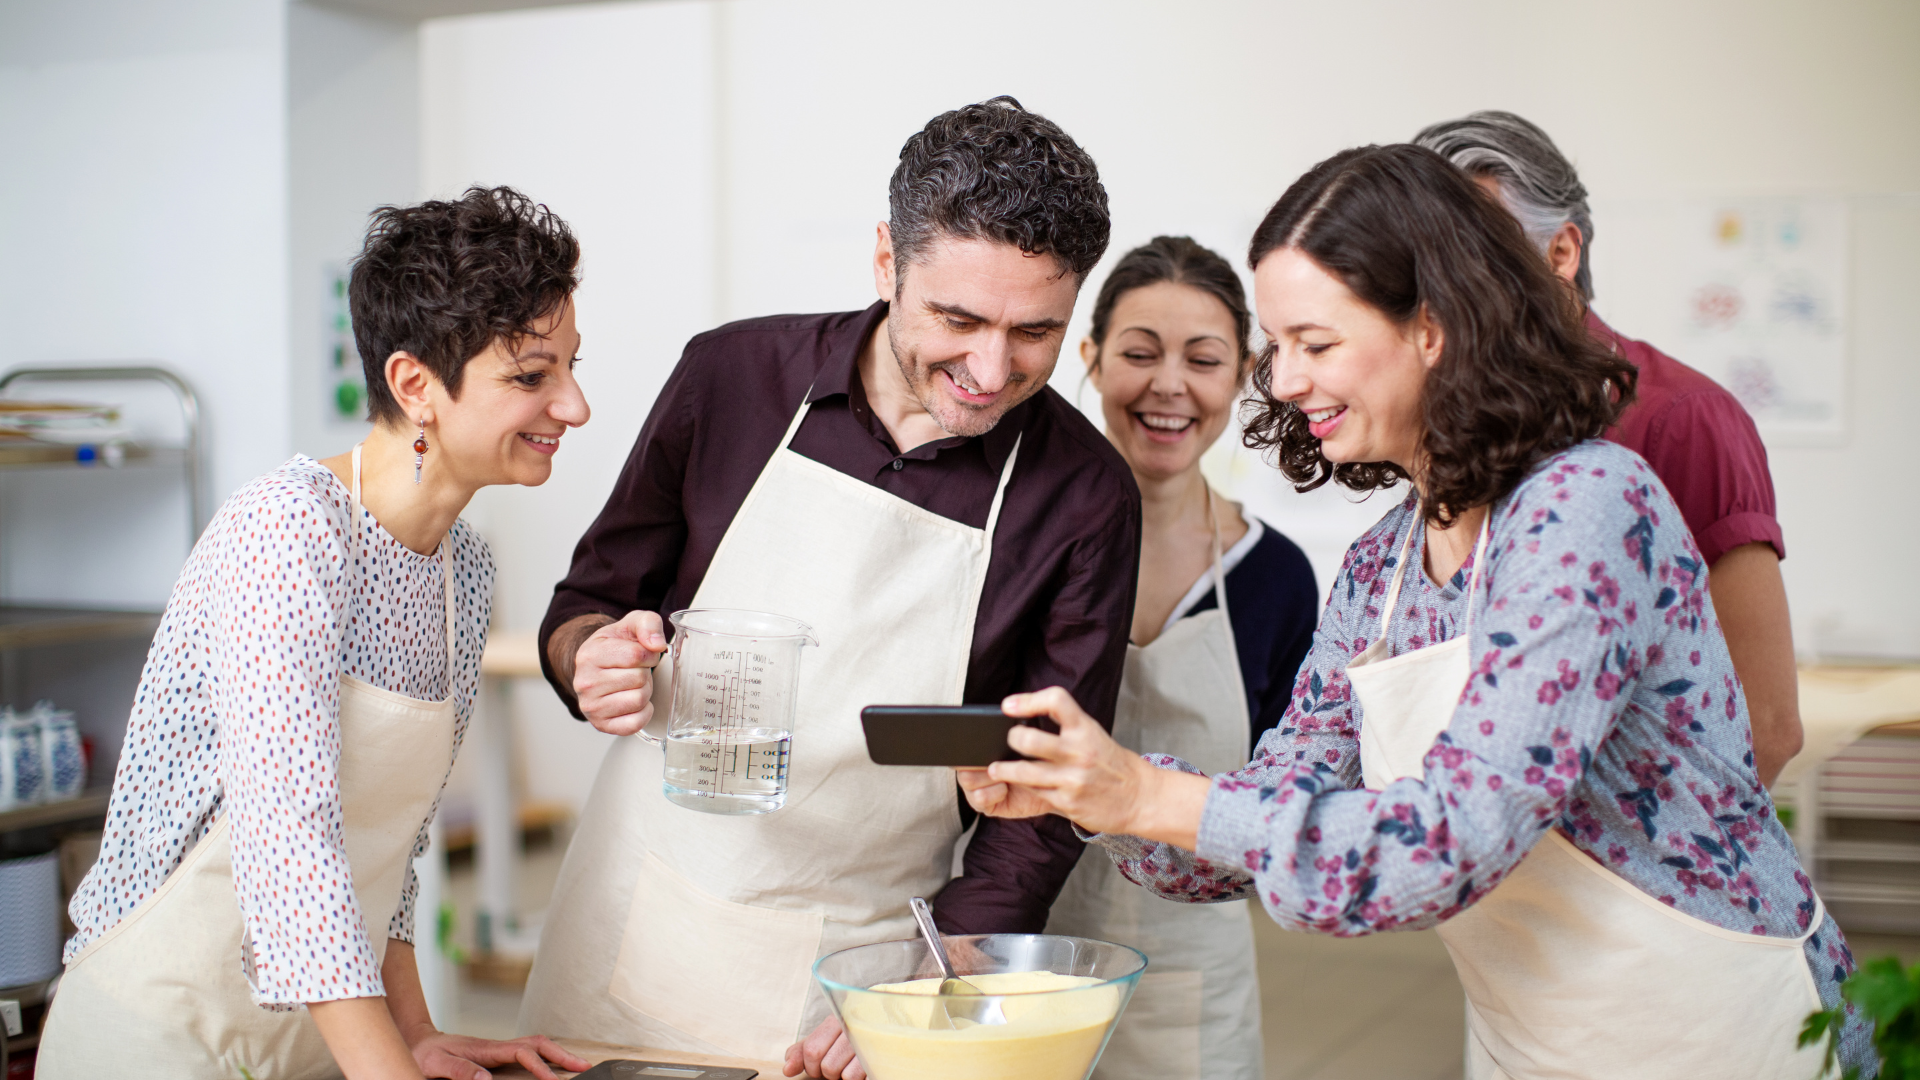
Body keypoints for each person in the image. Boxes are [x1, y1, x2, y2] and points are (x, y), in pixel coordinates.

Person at [958, 144, 1872, 1078]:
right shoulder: (1381, 568)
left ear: (1433, 327)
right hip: (1538, 1039)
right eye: (1278, 348)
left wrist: (1151, 794)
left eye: (1315, 344)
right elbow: (1266, 821)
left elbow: (1450, 841)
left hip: (1726, 1032)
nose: (1280, 382)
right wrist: (1094, 794)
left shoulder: (1585, 508)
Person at [518, 97, 1137, 1080]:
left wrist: (931, 988)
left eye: (1034, 333)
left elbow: (1046, 799)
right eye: (958, 319)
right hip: (641, 923)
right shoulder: (733, 378)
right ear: (887, 262)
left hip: (862, 970)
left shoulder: (1084, 495)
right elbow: (586, 602)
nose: (989, 368)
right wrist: (586, 656)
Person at [38, 187, 594, 1080]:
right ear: (416, 385)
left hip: (317, 1044)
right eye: (532, 377)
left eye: (570, 367)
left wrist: (414, 1035)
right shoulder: (288, 534)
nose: (573, 407)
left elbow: (391, 843)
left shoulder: (465, 568)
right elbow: (287, 839)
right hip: (158, 1038)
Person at [1414, 111, 1803, 787]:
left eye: (1474, 254)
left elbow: (1765, 728)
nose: (1443, 291)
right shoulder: (1446, 417)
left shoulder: (1683, 418)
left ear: (1561, 252)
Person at [1041, 236, 1315, 1080]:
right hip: (1027, 953)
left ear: (1243, 376)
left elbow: (1291, 796)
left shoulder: (1276, 578)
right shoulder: (1030, 548)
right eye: (1138, 353)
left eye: (1203, 359)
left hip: (1192, 973)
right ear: (1089, 359)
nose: (1169, 385)